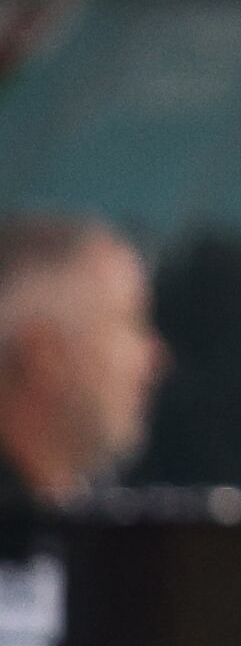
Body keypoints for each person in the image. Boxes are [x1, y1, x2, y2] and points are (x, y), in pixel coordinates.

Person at [0, 215, 165, 511]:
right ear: (44, 355)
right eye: (131, 323)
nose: (156, 358)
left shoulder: (81, 519)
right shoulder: (28, 529)